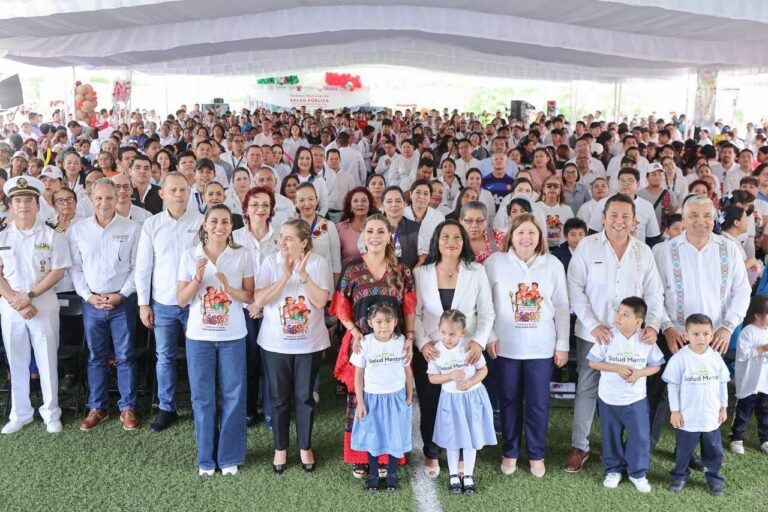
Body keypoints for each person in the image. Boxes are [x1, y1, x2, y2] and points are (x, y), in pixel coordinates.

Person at [565, 194, 665, 473]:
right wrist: (593, 323)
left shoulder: (643, 251)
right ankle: (579, 446)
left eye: (625, 217)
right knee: (587, 387)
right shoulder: (587, 246)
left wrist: (653, 324)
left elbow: (655, 293)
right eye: (613, 216)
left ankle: (626, 448)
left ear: (634, 222)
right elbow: (574, 288)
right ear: (603, 218)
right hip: (594, 333)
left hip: (632, 338)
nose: (619, 222)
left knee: (630, 387)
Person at [331, 214, 416, 478]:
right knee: (361, 399)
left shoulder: (402, 270)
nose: (375, 236)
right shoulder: (353, 269)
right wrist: (356, 333)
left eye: (381, 231)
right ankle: (361, 456)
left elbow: (409, 305)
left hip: (392, 344)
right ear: (363, 235)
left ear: (389, 236)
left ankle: (387, 456)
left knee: (390, 399)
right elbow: (340, 306)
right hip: (362, 344)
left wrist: (410, 337)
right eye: (370, 231)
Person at [485, 213, 569, 478]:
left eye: (532, 233)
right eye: (521, 232)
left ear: (540, 237)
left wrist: (562, 344)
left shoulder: (552, 264)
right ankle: (509, 452)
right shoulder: (495, 262)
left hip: (541, 347)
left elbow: (562, 306)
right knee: (508, 401)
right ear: (511, 235)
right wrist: (488, 336)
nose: (526, 238)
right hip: (506, 346)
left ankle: (536, 454)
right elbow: (484, 303)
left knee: (538, 403)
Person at [177, 204, 254, 476]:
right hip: (199, 337)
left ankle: (229, 456)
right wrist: (197, 279)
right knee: (203, 398)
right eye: (214, 222)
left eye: (224, 222)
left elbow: (249, 297)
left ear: (231, 227)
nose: (219, 227)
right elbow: (181, 300)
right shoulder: (190, 255)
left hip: (233, 335)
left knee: (233, 396)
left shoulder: (242, 255)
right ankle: (206, 459)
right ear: (205, 225)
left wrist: (228, 286)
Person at [414, 220, 495, 478]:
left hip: (465, 352)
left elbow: (486, 313)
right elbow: (414, 314)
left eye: (457, 237)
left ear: (464, 241)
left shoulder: (476, 271)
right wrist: (423, 342)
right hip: (432, 351)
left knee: (463, 404)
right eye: (445, 236)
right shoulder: (421, 272)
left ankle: (461, 454)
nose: (451, 242)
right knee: (431, 404)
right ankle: (432, 453)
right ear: (436, 240)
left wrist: (479, 342)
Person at [251, 218, 331, 473]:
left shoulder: (318, 263)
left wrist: (303, 276)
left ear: (304, 243)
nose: (282, 242)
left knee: (305, 398)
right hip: (275, 344)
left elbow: (320, 302)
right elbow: (259, 300)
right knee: (278, 398)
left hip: (310, 344)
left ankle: (305, 446)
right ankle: (280, 448)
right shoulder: (270, 262)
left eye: (288, 238)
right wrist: (285, 276)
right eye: (281, 237)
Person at [70, 178, 141, 431]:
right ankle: (97, 407)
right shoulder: (78, 230)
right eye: (99, 198)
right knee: (96, 357)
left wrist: (121, 295)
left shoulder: (132, 228)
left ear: (117, 198)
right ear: (91, 199)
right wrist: (88, 296)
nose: (104, 202)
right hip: (92, 303)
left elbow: (136, 268)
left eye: (109, 197)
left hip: (122, 302)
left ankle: (127, 408)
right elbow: (76, 268)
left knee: (125, 356)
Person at [0, 176, 69, 434]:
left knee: (46, 360)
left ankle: (51, 413)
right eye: (18, 200)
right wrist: (16, 301)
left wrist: (28, 296)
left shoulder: (52, 233)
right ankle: (20, 413)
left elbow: (58, 270)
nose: (23, 205)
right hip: (10, 305)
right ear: (11, 205)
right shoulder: (2, 233)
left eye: (29, 200)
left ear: (38, 205)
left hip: (43, 303)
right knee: (16, 361)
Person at [136, 171, 204, 433]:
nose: (178, 195)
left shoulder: (201, 223)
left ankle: (201, 407)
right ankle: (167, 408)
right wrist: (144, 303)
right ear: (162, 193)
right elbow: (143, 267)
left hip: (195, 303)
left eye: (183, 190)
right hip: (162, 303)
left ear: (190, 193)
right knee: (164, 358)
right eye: (173, 190)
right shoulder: (152, 225)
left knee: (198, 357)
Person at [587, 297, 664, 493]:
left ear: (639, 322)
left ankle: (638, 473)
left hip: (635, 399)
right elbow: (593, 362)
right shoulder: (608, 337)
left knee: (639, 437)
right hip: (609, 399)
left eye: (625, 314)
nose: (618, 317)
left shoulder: (646, 340)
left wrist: (639, 373)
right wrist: (616, 368)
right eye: (618, 312)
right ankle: (613, 470)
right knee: (610, 435)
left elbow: (656, 366)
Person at [428, 309, 496, 495]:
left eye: (452, 334)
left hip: (471, 399)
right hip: (450, 401)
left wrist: (471, 382)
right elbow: (432, 378)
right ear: (438, 329)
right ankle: (453, 475)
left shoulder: (469, 348)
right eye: (444, 333)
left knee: (470, 439)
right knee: (452, 439)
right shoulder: (436, 351)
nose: (447, 337)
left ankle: (467, 475)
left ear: (463, 332)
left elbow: (483, 370)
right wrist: (449, 376)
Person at [663, 314, 729, 497]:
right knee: (683, 451)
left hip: (710, 417)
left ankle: (714, 479)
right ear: (686, 336)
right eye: (696, 334)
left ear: (712, 334)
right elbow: (673, 386)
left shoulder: (716, 358)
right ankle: (679, 476)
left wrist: (723, 408)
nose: (701, 338)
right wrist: (675, 411)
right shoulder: (679, 358)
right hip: (687, 418)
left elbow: (723, 383)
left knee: (714, 451)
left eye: (706, 334)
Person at [351, 302, 414, 493]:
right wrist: (360, 402)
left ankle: (392, 474)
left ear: (395, 322)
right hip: (372, 398)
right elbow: (358, 375)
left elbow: (408, 371)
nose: (383, 326)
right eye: (378, 321)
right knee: (373, 435)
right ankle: (373, 475)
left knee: (394, 436)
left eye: (388, 321)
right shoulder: (365, 343)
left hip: (396, 397)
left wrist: (409, 395)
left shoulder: (400, 341)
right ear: (370, 323)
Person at [233, 186, 278, 430]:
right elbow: (229, 273)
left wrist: (262, 303)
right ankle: (249, 410)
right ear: (246, 209)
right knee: (247, 361)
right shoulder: (235, 237)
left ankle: (272, 412)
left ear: (271, 209)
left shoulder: (282, 237)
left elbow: (284, 274)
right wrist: (251, 304)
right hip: (243, 309)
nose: (260, 209)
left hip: (273, 309)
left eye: (264, 205)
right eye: (254, 205)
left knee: (271, 362)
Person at [730, 295, 768, 455]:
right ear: (758, 315)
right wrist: (762, 348)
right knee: (743, 411)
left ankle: (765, 439)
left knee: (765, 412)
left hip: (764, 382)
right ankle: (736, 438)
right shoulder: (748, 332)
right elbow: (742, 355)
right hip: (748, 381)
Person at [294, 183, 341, 284]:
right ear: (296, 203)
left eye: (311, 199)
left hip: (324, 286)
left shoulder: (329, 226)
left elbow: (336, 262)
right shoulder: (290, 227)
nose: (307, 204)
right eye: (301, 200)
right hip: (297, 287)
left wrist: (337, 289)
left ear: (317, 200)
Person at [336, 187, 378, 266]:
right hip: (348, 275)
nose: (360, 204)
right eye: (355, 201)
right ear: (350, 207)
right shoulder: (340, 228)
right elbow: (335, 260)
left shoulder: (378, 226)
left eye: (364, 200)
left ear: (369, 205)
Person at [405, 179, 446, 260]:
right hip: (405, 260)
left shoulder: (439, 216)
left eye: (426, 193)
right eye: (418, 192)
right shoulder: (402, 214)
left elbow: (441, 242)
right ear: (410, 194)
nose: (422, 197)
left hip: (430, 260)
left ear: (430, 197)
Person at [381, 186, 420, 269]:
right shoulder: (373, 228)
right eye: (389, 201)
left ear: (404, 204)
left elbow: (422, 257)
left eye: (398, 201)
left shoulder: (416, 228)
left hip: (408, 276)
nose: (394, 205)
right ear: (383, 206)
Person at [537, 175, 574, 249]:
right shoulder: (535, 207)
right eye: (549, 186)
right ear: (543, 189)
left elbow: (572, 230)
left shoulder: (567, 209)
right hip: (540, 247)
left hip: (562, 248)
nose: (552, 188)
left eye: (556, 186)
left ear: (560, 189)